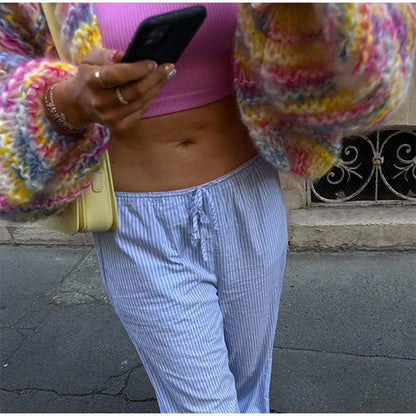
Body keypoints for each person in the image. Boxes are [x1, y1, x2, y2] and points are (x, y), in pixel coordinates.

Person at [1, 3, 414, 413]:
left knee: (249, 391)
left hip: (249, 194)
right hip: (141, 224)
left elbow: (378, 67)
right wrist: (64, 105)